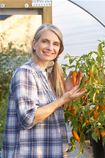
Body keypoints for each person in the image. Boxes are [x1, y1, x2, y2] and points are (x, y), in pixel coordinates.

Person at [1, 23, 85, 158]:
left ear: (60, 49)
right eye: (45, 41)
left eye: (55, 44)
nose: (50, 47)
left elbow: (50, 115)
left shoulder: (45, 75)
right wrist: (62, 99)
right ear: (34, 44)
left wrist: (65, 92)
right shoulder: (25, 73)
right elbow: (28, 118)